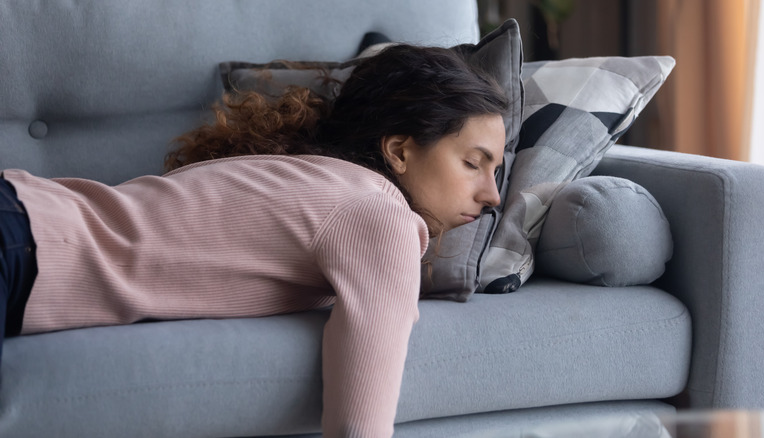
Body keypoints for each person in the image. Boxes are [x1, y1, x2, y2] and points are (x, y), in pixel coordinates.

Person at [0, 44, 508, 437]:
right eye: (472, 163)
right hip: (20, 242)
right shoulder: (379, 217)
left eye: (496, 171)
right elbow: (360, 424)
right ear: (399, 150)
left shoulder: (311, 177)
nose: (492, 196)